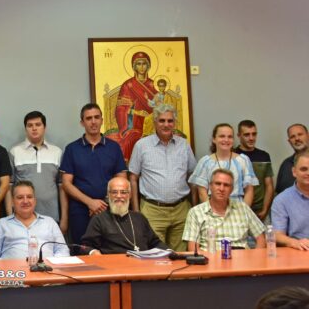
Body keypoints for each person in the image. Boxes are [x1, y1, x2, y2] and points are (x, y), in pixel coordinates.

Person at [128, 104, 196, 251]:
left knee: (181, 256)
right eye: (162, 120)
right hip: (152, 210)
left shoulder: (184, 145)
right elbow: (133, 178)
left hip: (181, 210)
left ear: (175, 123)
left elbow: (193, 177)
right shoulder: (141, 146)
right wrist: (136, 212)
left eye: (170, 121)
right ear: (155, 122)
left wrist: (195, 207)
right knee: (155, 255)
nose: (166, 124)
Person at [61, 103, 127, 243]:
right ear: (82, 122)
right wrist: (90, 202)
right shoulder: (72, 149)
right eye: (89, 118)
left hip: (110, 208)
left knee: (110, 249)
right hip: (80, 211)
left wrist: (102, 204)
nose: (93, 122)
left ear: (102, 120)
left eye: (97, 117)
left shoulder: (114, 147)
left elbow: (122, 181)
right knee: (83, 250)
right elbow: (66, 184)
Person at [8, 111, 68, 235]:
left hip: (51, 216)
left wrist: (64, 218)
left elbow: (62, 187)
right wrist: (9, 218)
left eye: (38, 124)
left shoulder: (57, 152)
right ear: (25, 129)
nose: (34, 128)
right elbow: (9, 188)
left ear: (44, 127)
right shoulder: (15, 152)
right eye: (30, 125)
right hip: (21, 218)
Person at [183, 168, 266, 251]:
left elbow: (261, 239)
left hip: (242, 257)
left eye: (226, 185)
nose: (221, 189)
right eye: (218, 184)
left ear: (232, 189)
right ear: (210, 186)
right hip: (210, 257)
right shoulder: (195, 212)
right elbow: (193, 249)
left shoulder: (243, 208)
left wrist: (255, 257)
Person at [81, 176, 168, 254]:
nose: (119, 196)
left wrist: (169, 251)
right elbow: (85, 246)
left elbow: (155, 242)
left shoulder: (139, 218)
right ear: (108, 195)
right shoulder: (99, 219)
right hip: (115, 265)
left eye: (123, 192)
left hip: (143, 264)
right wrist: (93, 252)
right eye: (114, 192)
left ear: (129, 195)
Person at [0, 180, 68, 260]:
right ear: (12, 202)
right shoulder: (1, 224)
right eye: (20, 197)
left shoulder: (50, 223)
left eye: (29, 197)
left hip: (47, 269)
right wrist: (5, 267)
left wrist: (51, 265)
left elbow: (63, 250)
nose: (25, 201)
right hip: (12, 270)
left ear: (35, 201)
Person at [189, 123, 258, 206]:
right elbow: (202, 193)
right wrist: (212, 211)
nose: (226, 140)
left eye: (230, 137)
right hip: (212, 208)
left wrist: (243, 211)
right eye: (222, 136)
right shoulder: (205, 162)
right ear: (214, 139)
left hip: (238, 208)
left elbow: (249, 191)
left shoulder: (243, 160)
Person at [111, 51, 158, 160]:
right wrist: (137, 112)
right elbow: (121, 109)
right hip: (134, 125)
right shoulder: (128, 85)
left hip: (153, 123)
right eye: (138, 64)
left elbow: (161, 106)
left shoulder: (154, 85)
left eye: (144, 63)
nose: (141, 67)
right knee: (130, 140)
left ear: (148, 66)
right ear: (134, 66)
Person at [234, 120, 274, 221]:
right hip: (237, 211)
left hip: (260, 211)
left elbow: (269, 185)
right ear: (239, 136)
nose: (251, 138)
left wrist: (265, 209)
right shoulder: (232, 155)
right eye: (247, 135)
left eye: (254, 134)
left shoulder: (264, 156)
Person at [272, 151, 309, 250]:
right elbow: (277, 235)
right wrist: (295, 242)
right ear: (294, 172)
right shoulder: (281, 200)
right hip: (299, 249)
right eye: (303, 169)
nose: (308, 173)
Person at [276, 124, 308, 195]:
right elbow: (279, 192)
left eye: (300, 134)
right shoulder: (285, 164)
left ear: (308, 136)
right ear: (289, 141)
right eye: (292, 136)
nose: (297, 138)